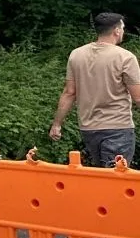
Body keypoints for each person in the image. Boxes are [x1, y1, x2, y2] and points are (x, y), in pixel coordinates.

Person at [50, 13, 140, 167]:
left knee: (102, 177)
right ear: (117, 31)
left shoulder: (76, 55)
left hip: (88, 129)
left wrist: (57, 124)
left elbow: (69, 92)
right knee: (115, 180)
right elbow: (138, 98)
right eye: (123, 28)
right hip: (117, 128)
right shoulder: (125, 57)